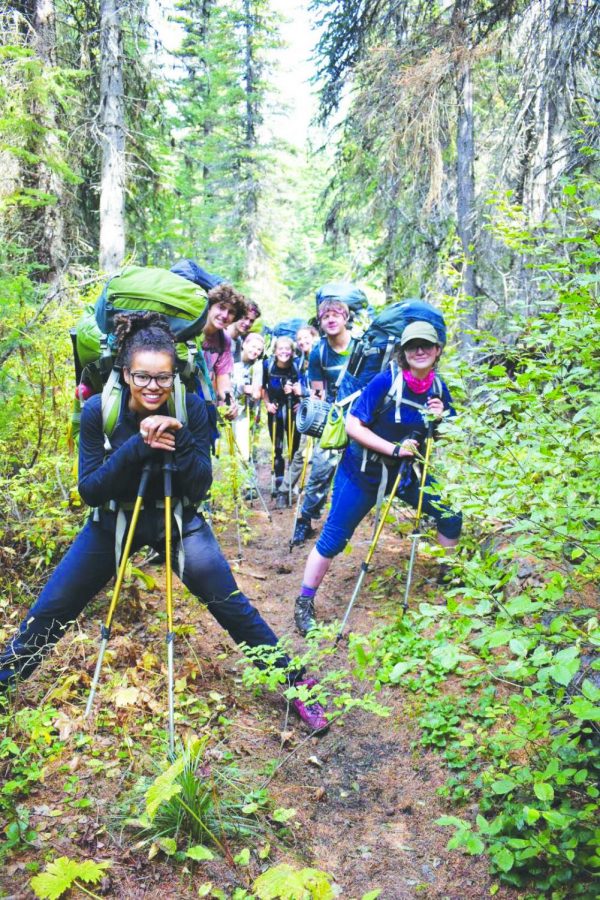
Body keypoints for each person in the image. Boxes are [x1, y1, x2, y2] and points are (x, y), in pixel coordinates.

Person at [0, 313, 327, 731]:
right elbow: (90, 491)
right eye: (142, 377)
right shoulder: (99, 410)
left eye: (163, 378)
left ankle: (298, 686)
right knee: (54, 607)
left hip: (178, 519)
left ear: (176, 375)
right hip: (112, 521)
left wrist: (181, 434)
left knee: (230, 606)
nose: (153, 387)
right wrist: (138, 445)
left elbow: (201, 483)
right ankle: (5, 683)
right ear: (125, 373)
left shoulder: (190, 406)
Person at [293, 320, 462, 635]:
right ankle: (304, 602)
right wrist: (394, 449)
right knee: (333, 539)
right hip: (361, 472)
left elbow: (447, 434)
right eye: (413, 346)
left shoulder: (439, 389)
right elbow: (353, 426)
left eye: (427, 345)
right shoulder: (385, 382)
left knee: (451, 514)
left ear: (438, 350)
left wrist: (441, 418)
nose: (420, 350)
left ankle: (448, 578)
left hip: (407, 474)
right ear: (403, 352)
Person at [291, 300, 356, 544]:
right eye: (325, 316)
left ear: (345, 318)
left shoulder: (361, 345)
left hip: (362, 415)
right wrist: (316, 422)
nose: (331, 319)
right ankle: (305, 519)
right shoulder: (318, 351)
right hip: (334, 416)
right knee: (319, 469)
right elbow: (318, 393)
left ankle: (344, 522)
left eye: (336, 314)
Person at [275, 325, 320, 508]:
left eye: (305, 338)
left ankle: (315, 497)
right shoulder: (302, 360)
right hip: (311, 413)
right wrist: (299, 395)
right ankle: (284, 491)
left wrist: (305, 392)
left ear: (314, 336)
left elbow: (323, 389)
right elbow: (307, 388)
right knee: (301, 453)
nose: (302, 342)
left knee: (320, 457)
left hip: (326, 412)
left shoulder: (322, 354)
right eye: (299, 339)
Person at [200, 283, 248, 424]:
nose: (225, 315)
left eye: (231, 312)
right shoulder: (192, 328)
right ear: (210, 307)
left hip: (204, 400)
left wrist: (229, 401)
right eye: (221, 307)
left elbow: (223, 379)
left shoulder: (224, 340)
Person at [262, 336, 302, 499]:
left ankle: (291, 483)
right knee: (277, 447)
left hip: (293, 411)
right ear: (275, 350)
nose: (284, 351)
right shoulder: (267, 365)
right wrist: (267, 404)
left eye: (288, 349)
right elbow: (263, 387)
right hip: (275, 411)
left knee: (294, 448)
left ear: (292, 352)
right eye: (281, 348)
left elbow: (303, 386)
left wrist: (301, 403)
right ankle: (279, 482)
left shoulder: (297, 366)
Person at [232, 332, 264, 462]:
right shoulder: (231, 359)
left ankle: (248, 476)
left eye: (259, 349)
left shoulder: (258, 367)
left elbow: (258, 392)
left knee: (246, 449)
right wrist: (242, 388)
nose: (255, 351)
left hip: (248, 412)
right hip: (231, 407)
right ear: (244, 344)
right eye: (253, 346)